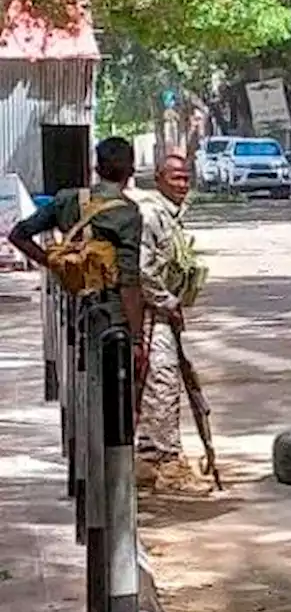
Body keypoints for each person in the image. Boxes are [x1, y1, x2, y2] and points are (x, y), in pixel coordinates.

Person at [8, 137, 144, 350]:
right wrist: (137, 339)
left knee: (75, 375)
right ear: (130, 171)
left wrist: (52, 262)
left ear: (97, 168)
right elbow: (129, 282)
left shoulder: (66, 200)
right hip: (113, 321)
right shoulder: (127, 213)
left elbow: (18, 235)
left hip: (71, 313)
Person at [131, 154, 211, 495]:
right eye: (175, 178)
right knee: (163, 386)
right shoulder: (151, 214)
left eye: (186, 178)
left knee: (162, 384)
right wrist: (168, 302)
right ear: (159, 179)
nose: (183, 184)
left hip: (164, 313)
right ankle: (169, 464)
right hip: (151, 315)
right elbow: (142, 269)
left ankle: (149, 458)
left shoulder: (172, 216)